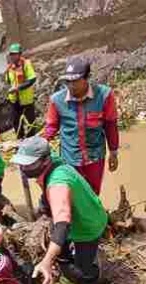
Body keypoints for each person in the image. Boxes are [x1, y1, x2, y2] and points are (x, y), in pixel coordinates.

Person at [12, 136, 108, 284]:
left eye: (29, 164)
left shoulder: (57, 183)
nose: (24, 168)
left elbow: (62, 225)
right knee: (62, 253)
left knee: (82, 268)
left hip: (88, 225)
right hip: (79, 209)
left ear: (45, 160)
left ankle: (93, 281)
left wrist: (47, 261)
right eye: (22, 163)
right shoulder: (53, 159)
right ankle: (68, 272)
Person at [42, 58, 119, 195]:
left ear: (87, 78)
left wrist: (113, 152)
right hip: (70, 157)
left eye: (75, 81)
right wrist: (38, 144)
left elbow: (110, 125)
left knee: (93, 194)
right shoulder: (57, 100)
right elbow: (51, 127)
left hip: (95, 156)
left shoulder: (104, 95)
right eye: (68, 81)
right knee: (73, 194)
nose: (71, 86)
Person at [4, 43, 37, 138]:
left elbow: (32, 79)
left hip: (26, 100)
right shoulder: (9, 68)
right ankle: (20, 140)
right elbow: (8, 82)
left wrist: (18, 88)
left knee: (31, 122)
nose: (13, 56)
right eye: (11, 54)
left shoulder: (26, 64)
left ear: (20, 54)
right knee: (16, 122)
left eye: (15, 54)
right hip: (14, 100)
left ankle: (32, 139)